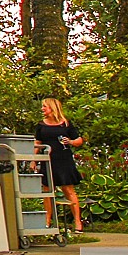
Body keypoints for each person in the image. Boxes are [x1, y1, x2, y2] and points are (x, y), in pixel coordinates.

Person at [36, 97, 85, 233]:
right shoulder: (41, 125)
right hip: (47, 160)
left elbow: (79, 140)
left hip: (63, 159)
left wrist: (70, 142)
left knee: (68, 190)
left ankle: (77, 222)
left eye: (45, 106)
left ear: (52, 108)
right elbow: (37, 143)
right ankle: (47, 220)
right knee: (47, 190)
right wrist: (33, 160)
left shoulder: (65, 124)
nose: (42, 109)